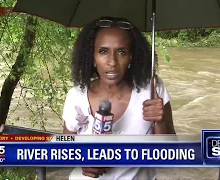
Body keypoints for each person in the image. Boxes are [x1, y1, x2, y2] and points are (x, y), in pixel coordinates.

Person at [62, 16, 176, 180]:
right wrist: (81, 160)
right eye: (103, 51)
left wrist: (160, 122)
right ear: (92, 56)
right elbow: (65, 148)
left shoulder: (152, 91)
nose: (112, 62)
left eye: (121, 52)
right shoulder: (76, 96)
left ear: (131, 56)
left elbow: (171, 155)